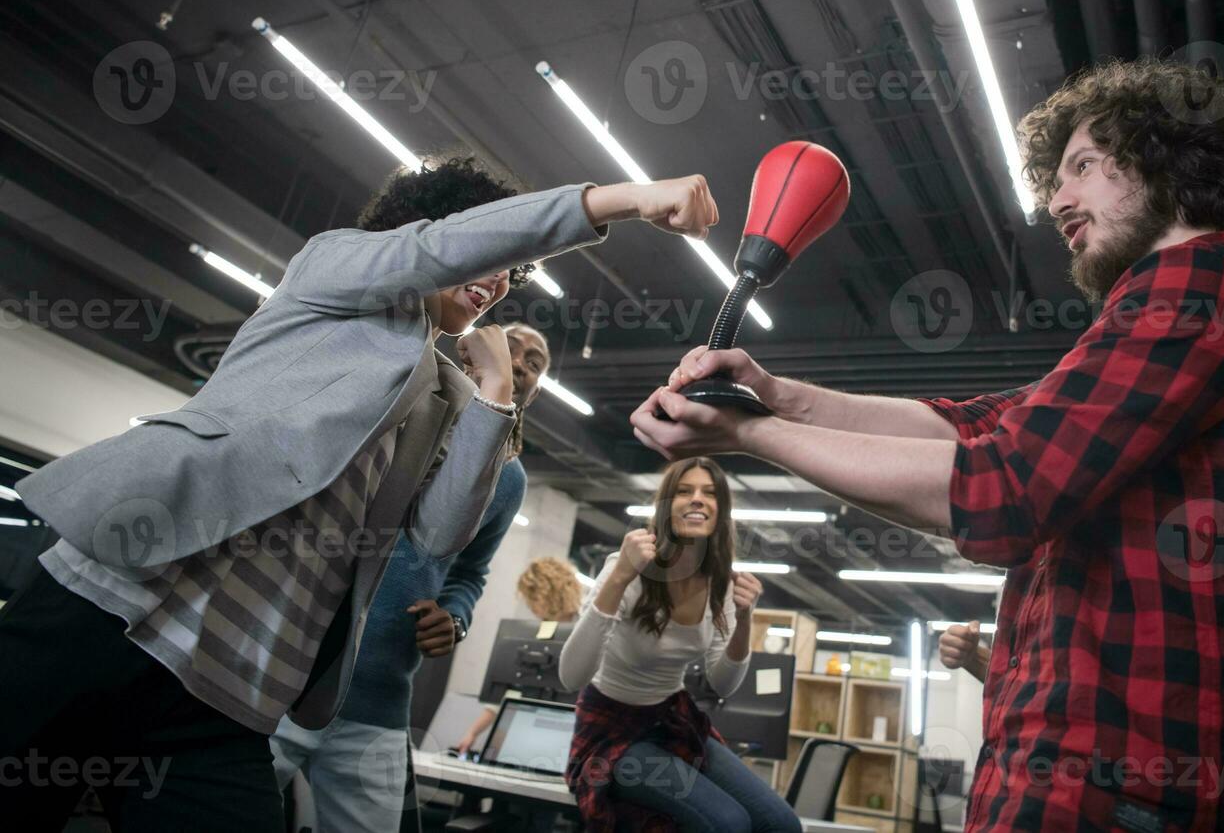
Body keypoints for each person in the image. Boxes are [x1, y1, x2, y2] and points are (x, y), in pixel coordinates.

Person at [630, 59, 1224, 831]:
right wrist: (776, 394)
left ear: (1164, 159)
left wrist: (745, 431)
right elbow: (972, 429)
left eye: (1085, 167)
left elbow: (1002, 487)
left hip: (1122, 798)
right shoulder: (1168, 313)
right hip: (1095, 789)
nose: (1057, 200)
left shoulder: (1207, 287)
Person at [0, 156, 719, 831]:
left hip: (228, 691)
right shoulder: (334, 273)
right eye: (488, 258)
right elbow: (434, 253)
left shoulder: (453, 395)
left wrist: (495, 397)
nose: (497, 280)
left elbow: (440, 533)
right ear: (430, 229)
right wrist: (622, 200)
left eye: (512, 272)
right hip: (115, 609)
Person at [270, 322, 551, 832]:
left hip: (377, 699)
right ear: (470, 350)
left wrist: (456, 617)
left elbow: (470, 572)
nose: (522, 362)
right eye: (512, 349)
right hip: (287, 679)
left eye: (535, 363)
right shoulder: (397, 409)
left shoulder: (508, 479)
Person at [559, 457, 802, 833]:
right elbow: (570, 675)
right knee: (729, 823)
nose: (698, 500)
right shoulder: (627, 569)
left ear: (720, 511)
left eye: (709, 493)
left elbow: (722, 684)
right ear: (665, 506)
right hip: (612, 733)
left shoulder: (719, 583)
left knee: (781, 824)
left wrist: (745, 619)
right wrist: (621, 576)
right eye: (685, 491)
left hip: (674, 722)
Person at [453, 554, 586, 756]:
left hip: (569, 731)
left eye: (531, 599)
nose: (531, 608)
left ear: (543, 594)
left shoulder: (587, 629)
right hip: (531, 726)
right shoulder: (532, 637)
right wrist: (472, 733)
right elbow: (507, 690)